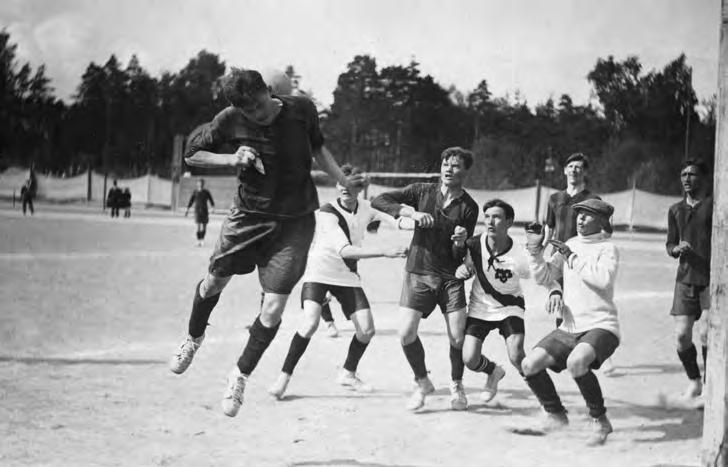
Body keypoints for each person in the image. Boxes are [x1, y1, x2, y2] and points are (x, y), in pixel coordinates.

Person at [168, 68, 365, 417]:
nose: (256, 115)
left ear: (268, 91)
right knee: (214, 282)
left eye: (259, 106)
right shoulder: (229, 119)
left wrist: (342, 180)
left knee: (272, 308)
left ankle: (240, 375)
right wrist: (231, 157)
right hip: (247, 216)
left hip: (294, 222)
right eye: (249, 113)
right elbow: (192, 155)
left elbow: (319, 149)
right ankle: (193, 338)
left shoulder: (302, 110)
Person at [268, 164, 409, 399]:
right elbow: (345, 250)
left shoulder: (367, 208)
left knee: (366, 330)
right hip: (319, 273)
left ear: (360, 189)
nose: (345, 187)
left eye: (351, 184)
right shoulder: (326, 212)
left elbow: (396, 221)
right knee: (310, 323)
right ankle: (283, 378)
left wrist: (420, 221)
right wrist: (385, 251)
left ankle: (348, 373)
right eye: (341, 182)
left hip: (346, 277)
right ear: (336, 185)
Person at [371, 146, 479, 411]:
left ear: (465, 171)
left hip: (450, 277)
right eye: (445, 163)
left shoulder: (469, 206)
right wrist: (410, 212)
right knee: (406, 333)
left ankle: (456, 384)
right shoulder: (421, 191)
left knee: (457, 338)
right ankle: (422, 382)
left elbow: (461, 252)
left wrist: (461, 243)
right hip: (418, 271)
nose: (448, 169)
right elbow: (378, 199)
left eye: (455, 165)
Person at [521, 198, 619, 446]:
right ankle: (556, 414)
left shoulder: (607, 248)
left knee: (577, 362)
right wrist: (535, 252)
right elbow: (546, 277)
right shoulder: (570, 244)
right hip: (569, 327)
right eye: (578, 215)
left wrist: (571, 256)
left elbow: (603, 280)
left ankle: (601, 421)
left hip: (601, 324)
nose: (580, 219)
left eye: (587, 215)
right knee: (530, 364)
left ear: (601, 221)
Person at [455, 199, 561, 403]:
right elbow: (465, 265)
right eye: (487, 217)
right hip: (480, 307)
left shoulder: (520, 253)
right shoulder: (474, 244)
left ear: (509, 222)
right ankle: (493, 372)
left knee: (516, 355)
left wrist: (555, 290)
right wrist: (463, 270)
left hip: (510, 307)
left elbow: (543, 275)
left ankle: (549, 402)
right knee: (469, 359)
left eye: (496, 217)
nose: (490, 222)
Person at [542, 152, 616, 375]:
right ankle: (565, 349)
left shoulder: (593, 198)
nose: (574, 170)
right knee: (560, 303)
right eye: (570, 166)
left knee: (586, 303)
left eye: (579, 167)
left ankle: (600, 353)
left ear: (585, 172)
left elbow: (604, 230)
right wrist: (542, 247)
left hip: (581, 259)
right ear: (564, 170)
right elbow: (549, 227)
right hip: (558, 257)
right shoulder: (555, 198)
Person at [666, 159, 712, 405]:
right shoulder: (675, 210)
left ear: (703, 178)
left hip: (712, 281)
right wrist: (676, 250)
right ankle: (694, 381)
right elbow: (669, 244)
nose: (686, 179)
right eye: (683, 174)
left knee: (706, 333)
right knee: (682, 336)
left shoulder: (715, 205)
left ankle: (708, 386)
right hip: (684, 279)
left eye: (692, 174)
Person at [185, 179, 216, 247]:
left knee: (204, 227)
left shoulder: (206, 192)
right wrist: (187, 210)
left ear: (203, 184)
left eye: (201, 183)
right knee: (198, 227)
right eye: (199, 183)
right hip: (197, 211)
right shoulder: (195, 192)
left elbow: (211, 200)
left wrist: (213, 207)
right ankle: (198, 241)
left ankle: (202, 240)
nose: (200, 184)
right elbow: (191, 201)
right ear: (197, 184)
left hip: (205, 211)